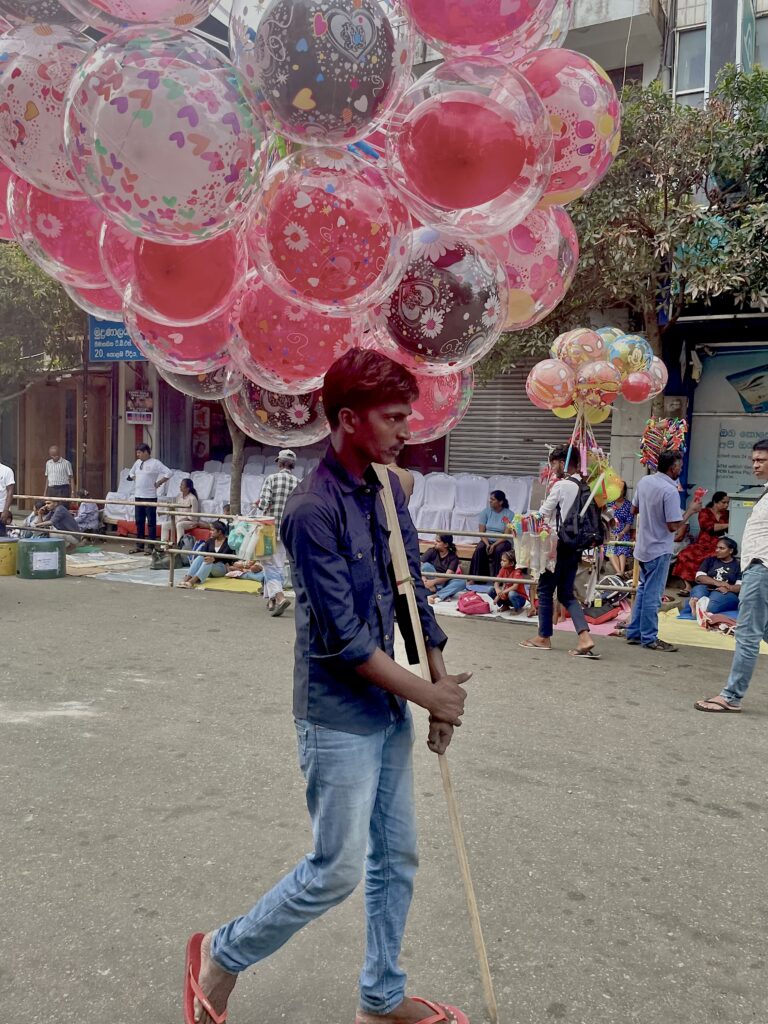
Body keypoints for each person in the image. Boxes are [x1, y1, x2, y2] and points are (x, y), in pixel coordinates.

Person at [183, 349, 470, 1024]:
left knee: (397, 855)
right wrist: (429, 696)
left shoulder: (388, 488)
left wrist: (437, 682)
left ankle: (382, 994)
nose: (407, 430)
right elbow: (343, 642)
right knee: (336, 868)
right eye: (394, 418)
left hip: (391, 706)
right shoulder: (311, 511)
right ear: (348, 419)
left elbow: (412, 596)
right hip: (336, 716)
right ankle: (220, 954)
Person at [695, 440, 768, 712]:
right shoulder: (764, 492)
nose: (755, 465)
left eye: (761, 460)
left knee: (748, 634)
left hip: (761, 569)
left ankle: (731, 696)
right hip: (757, 569)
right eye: (753, 460)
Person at [520, 445, 599, 657]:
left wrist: (521, 523)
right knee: (565, 593)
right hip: (574, 547)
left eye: (554, 462)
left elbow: (543, 514)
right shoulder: (583, 486)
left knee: (545, 589)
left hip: (556, 546)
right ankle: (585, 637)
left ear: (563, 462)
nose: (552, 467)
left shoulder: (562, 486)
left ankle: (543, 637)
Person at [625, 451, 701, 652]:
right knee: (652, 594)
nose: (681, 469)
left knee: (643, 590)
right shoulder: (669, 491)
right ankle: (649, 637)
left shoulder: (644, 482)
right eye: (680, 466)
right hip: (658, 549)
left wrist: (651, 513)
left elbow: (634, 511)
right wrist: (691, 511)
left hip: (643, 547)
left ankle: (634, 632)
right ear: (673, 467)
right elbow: (673, 527)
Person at [255, 449, 299, 616]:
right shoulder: (298, 482)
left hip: (269, 528)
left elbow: (264, 504)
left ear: (279, 464)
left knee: (267, 563)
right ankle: (271, 599)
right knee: (278, 563)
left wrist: (259, 504)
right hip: (287, 530)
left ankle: (279, 597)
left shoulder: (271, 479)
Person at [673, 491, 730, 596]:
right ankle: (688, 586)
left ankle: (707, 586)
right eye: (723, 502)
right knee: (684, 554)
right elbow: (708, 527)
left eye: (727, 503)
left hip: (718, 544)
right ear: (715, 502)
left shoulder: (728, 514)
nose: (726, 505)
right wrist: (728, 525)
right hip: (702, 543)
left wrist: (725, 525)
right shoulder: (704, 512)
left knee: (713, 556)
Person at [127, 444, 170, 554]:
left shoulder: (155, 463)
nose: (138, 455)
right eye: (137, 453)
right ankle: (139, 545)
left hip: (150, 496)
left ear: (146, 452)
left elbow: (169, 472)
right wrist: (134, 477)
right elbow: (131, 472)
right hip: (138, 495)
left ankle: (151, 546)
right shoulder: (137, 463)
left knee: (151, 522)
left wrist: (160, 482)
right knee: (139, 521)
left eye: (139, 453)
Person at [688, 537, 741, 620]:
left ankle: (698, 608)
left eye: (721, 548)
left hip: (725, 592)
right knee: (698, 592)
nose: (717, 550)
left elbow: (739, 586)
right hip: (706, 587)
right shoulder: (710, 560)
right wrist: (716, 582)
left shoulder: (738, 565)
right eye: (717, 547)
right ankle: (699, 607)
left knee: (713, 605)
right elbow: (699, 577)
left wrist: (729, 588)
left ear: (731, 551)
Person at [468, 490, 512, 579]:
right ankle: (475, 578)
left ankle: (497, 579)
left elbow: (506, 534)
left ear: (500, 502)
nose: (490, 501)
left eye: (493, 499)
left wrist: (494, 545)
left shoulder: (509, 514)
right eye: (490, 499)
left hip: (502, 540)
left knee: (499, 550)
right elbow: (481, 532)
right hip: (486, 540)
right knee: (480, 548)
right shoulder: (485, 512)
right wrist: (488, 544)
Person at [176, 521, 233, 589]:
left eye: (213, 530)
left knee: (208, 562)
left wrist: (214, 559)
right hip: (208, 565)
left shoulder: (228, 542)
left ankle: (191, 582)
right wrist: (209, 558)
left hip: (220, 567)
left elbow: (226, 557)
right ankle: (185, 579)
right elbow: (202, 552)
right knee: (201, 557)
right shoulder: (210, 541)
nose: (210, 532)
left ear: (220, 532)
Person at [421, 533, 466, 604]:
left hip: (443, 582)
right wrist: (424, 580)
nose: (435, 542)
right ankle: (444, 594)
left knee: (462, 581)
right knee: (426, 566)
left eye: (438, 541)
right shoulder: (431, 551)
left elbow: (448, 576)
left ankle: (436, 594)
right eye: (435, 540)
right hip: (429, 579)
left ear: (446, 545)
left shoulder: (453, 557)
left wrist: (433, 582)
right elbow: (418, 565)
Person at [605, 484, 634, 576]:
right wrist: (609, 532)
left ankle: (621, 571)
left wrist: (622, 533)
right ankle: (620, 573)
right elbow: (606, 520)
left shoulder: (629, 505)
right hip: (611, 532)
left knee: (622, 548)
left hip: (623, 532)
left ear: (624, 491)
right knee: (610, 548)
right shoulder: (610, 504)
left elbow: (629, 524)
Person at [161, 478, 200, 547]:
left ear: (187, 488)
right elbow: (175, 509)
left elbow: (194, 516)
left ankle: (180, 547)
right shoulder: (179, 496)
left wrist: (184, 518)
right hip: (178, 519)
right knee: (165, 525)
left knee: (179, 525)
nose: (180, 486)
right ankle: (164, 546)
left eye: (182, 485)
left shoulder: (192, 498)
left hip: (190, 521)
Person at [493, 549, 528, 613]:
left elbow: (515, 587)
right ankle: (505, 605)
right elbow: (496, 582)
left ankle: (517, 608)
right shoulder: (503, 569)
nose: (501, 562)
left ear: (511, 563)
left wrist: (501, 593)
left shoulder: (517, 571)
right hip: (507, 595)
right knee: (491, 590)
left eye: (504, 561)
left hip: (519, 598)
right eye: (501, 560)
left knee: (511, 593)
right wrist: (497, 590)